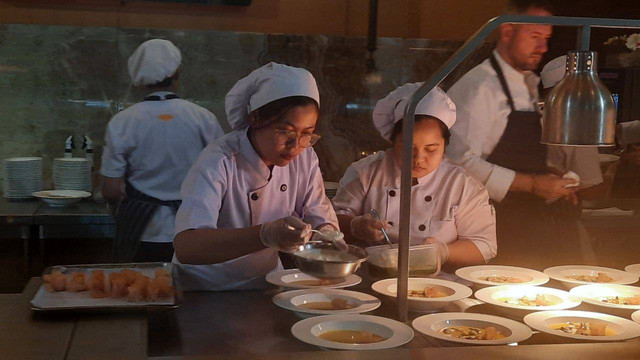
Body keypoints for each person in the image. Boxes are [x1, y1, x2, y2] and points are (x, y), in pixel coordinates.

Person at [172, 63, 342, 291]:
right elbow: (188, 247)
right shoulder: (219, 160)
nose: (295, 146)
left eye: (307, 134)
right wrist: (264, 235)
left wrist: (327, 235)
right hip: (206, 288)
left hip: (267, 284)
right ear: (255, 118)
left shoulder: (305, 157)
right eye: (285, 131)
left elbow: (319, 214)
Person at [445, 0, 582, 268]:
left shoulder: (525, 82)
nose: (543, 48)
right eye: (534, 37)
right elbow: (457, 164)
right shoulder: (480, 87)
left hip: (528, 228)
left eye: (546, 38)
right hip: (491, 229)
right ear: (507, 32)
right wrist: (533, 184)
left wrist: (549, 176)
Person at [332, 84, 497, 273]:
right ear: (393, 142)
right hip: (371, 279)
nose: (418, 159)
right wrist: (355, 226)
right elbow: (330, 223)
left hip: (439, 283)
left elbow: (485, 246)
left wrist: (443, 252)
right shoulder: (366, 173)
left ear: (445, 146)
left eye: (431, 149)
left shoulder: (462, 185)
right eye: (409, 147)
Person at [100, 39, 225, 263]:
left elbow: (110, 190)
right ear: (177, 75)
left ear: (138, 80)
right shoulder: (202, 117)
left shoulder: (122, 121)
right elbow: (224, 174)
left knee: (140, 290)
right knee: (192, 293)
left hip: (141, 231)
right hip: (194, 229)